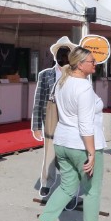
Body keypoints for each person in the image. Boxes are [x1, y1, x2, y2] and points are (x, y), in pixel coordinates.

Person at [25, 46, 108, 221]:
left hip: (63, 142)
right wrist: (91, 153)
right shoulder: (83, 88)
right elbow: (85, 124)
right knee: (91, 191)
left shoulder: (63, 82)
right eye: (91, 61)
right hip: (82, 145)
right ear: (80, 65)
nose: (95, 64)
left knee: (66, 187)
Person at [31, 36, 76, 198]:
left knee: (70, 152)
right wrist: (36, 126)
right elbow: (39, 100)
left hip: (70, 114)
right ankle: (47, 182)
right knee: (50, 150)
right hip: (51, 111)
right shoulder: (45, 75)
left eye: (66, 53)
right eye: (61, 53)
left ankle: (70, 188)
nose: (63, 57)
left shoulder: (77, 74)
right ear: (55, 55)